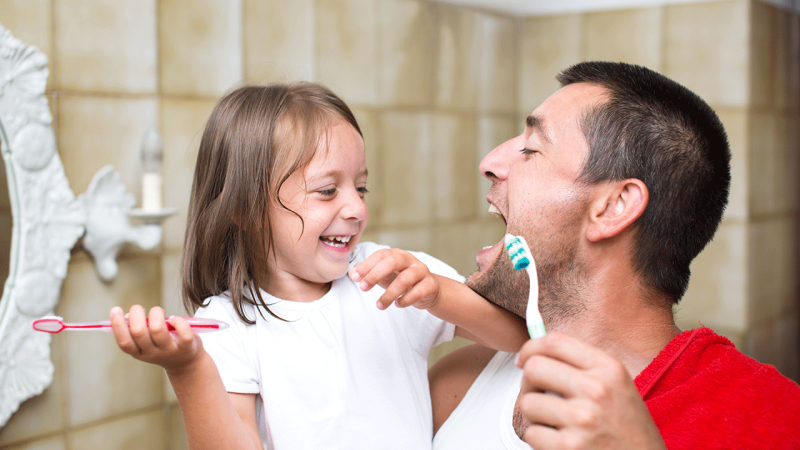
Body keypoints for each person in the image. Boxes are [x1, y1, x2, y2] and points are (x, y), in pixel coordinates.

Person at [109, 82, 527, 450]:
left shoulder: (388, 275)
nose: (357, 207)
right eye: (328, 191)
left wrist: (439, 294)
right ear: (247, 209)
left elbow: (517, 337)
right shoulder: (227, 327)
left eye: (361, 186)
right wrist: (187, 369)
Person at [429, 61, 800, 450]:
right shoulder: (458, 383)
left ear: (614, 206)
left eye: (531, 148)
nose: (489, 163)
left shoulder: (773, 420)